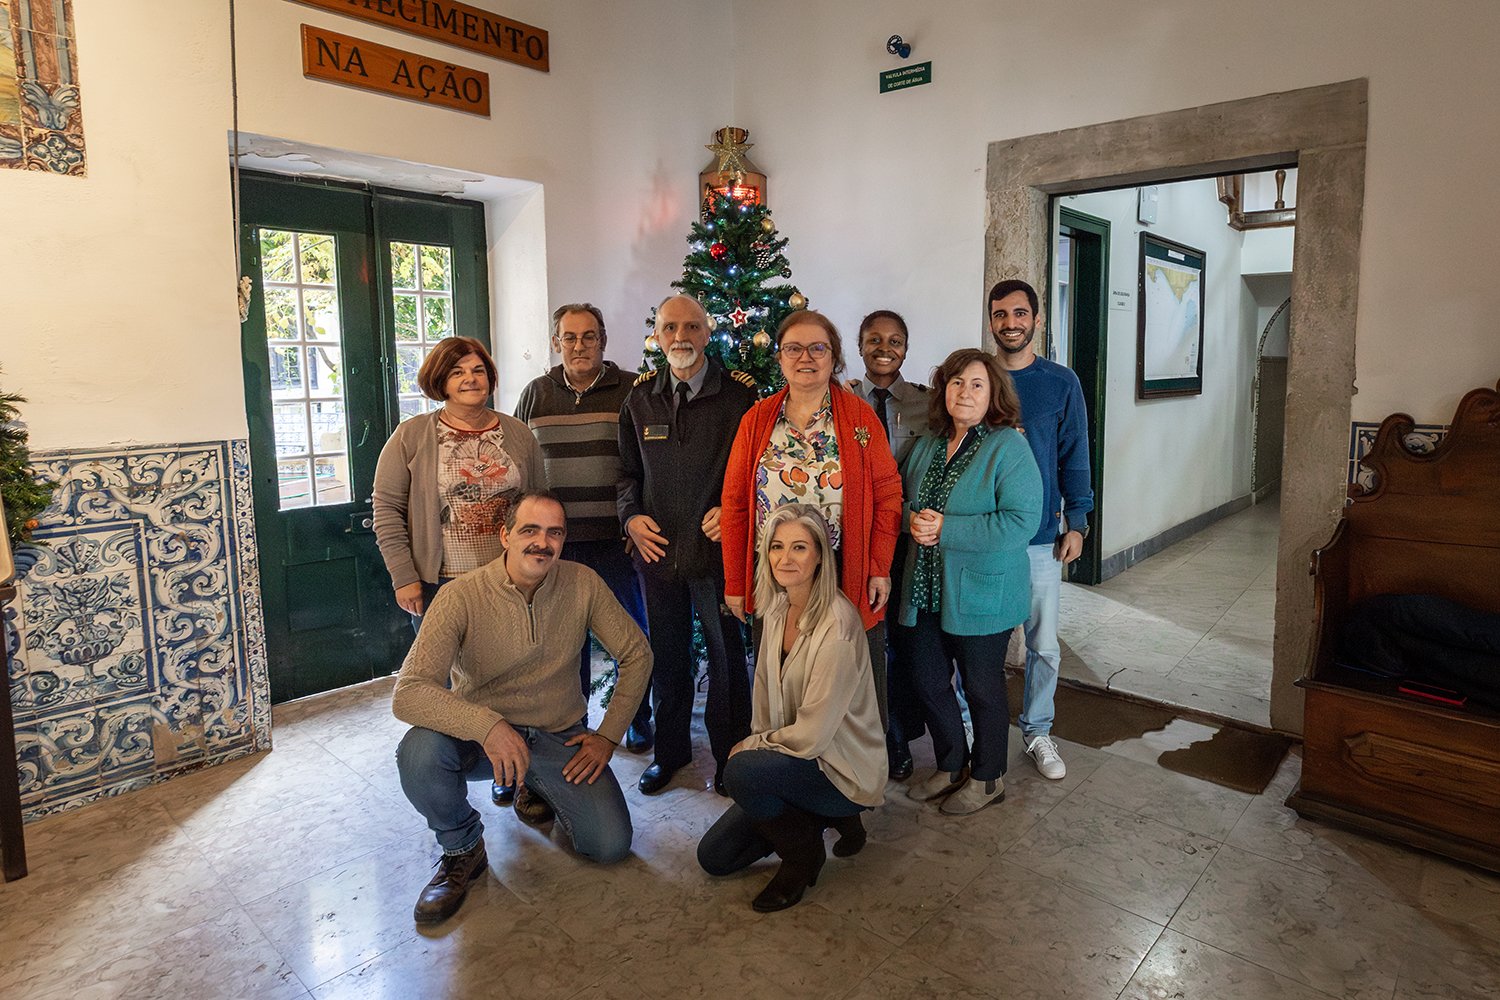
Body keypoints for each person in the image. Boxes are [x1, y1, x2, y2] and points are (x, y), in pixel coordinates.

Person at [392, 491, 652, 925]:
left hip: (557, 735)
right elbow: (410, 692)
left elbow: (637, 653)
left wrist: (608, 736)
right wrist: (487, 726)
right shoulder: (460, 597)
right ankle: (461, 849)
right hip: (483, 742)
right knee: (418, 752)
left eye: (554, 533)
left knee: (609, 846)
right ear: (505, 536)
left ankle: (536, 784)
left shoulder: (582, 582)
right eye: (529, 530)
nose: (542, 543)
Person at [697, 504, 887, 912]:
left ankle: (804, 856)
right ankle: (822, 819)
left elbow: (814, 736)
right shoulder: (777, 608)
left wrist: (754, 748)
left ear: (820, 554)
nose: (786, 558)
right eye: (777, 547)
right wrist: (761, 748)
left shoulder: (837, 628)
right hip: (795, 762)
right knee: (714, 858)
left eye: (799, 547)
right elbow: (764, 697)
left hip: (839, 768)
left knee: (742, 772)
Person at [720, 310, 903, 728]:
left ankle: (858, 769)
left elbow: (889, 496)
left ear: (834, 357)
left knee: (851, 674)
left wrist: (878, 567)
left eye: (818, 347)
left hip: (844, 571)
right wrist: (735, 581)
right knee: (781, 679)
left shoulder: (859, 419)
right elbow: (735, 505)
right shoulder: (757, 420)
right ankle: (785, 761)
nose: (806, 357)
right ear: (780, 358)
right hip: (777, 574)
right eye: (794, 348)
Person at [618, 294, 757, 796]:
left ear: (708, 332)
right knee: (667, 656)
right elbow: (627, 475)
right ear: (656, 335)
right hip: (656, 557)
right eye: (670, 327)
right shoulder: (639, 400)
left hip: (717, 557)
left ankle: (731, 758)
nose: (681, 337)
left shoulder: (740, 397)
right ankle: (670, 753)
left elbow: (756, 471)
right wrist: (630, 518)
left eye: (692, 327)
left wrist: (735, 510)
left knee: (726, 661)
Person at [899, 349, 1042, 814]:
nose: (965, 392)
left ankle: (987, 777)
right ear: (943, 390)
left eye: (977, 384)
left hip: (982, 591)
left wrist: (947, 529)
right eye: (956, 382)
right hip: (924, 587)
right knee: (928, 681)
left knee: (981, 687)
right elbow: (900, 499)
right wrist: (911, 520)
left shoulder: (1008, 446)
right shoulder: (928, 442)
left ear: (993, 393)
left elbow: (1022, 520)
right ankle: (951, 762)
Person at [516, 303, 654, 760]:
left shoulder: (634, 389)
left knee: (629, 635)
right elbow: (519, 465)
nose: (579, 346)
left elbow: (646, 466)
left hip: (617, 542)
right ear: (556, 342)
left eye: (589, 336)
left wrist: (636, 519)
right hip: (556, 547)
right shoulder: (536, 393)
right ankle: (571, 724)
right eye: (569, 337)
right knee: (562, 642)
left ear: (603, 340)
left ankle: (634, 719)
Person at [990, 279, 1094, 780]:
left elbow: (1075, 452)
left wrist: (1078, 519)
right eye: (1001, 314)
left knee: (1044, 646)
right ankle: (975, 729)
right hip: (985, 539)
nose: (1010, 323)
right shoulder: (976, 377)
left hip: (1039, 540)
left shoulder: (1061, 382)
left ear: (1036, 318)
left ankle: (1037, 731)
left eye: (1019, 313)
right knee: (979, 644)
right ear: (991, 320)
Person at [845, 309, 930, 782]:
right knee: (860, 642)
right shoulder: (840, 400)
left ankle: (897, 735)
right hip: (856, 543)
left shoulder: (927, 403)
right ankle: (860, 733)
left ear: (906, 348)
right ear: (859, 346)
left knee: (902, 642)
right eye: (874, 339)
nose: (884, 347)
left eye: (895, 340)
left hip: (905, 543)